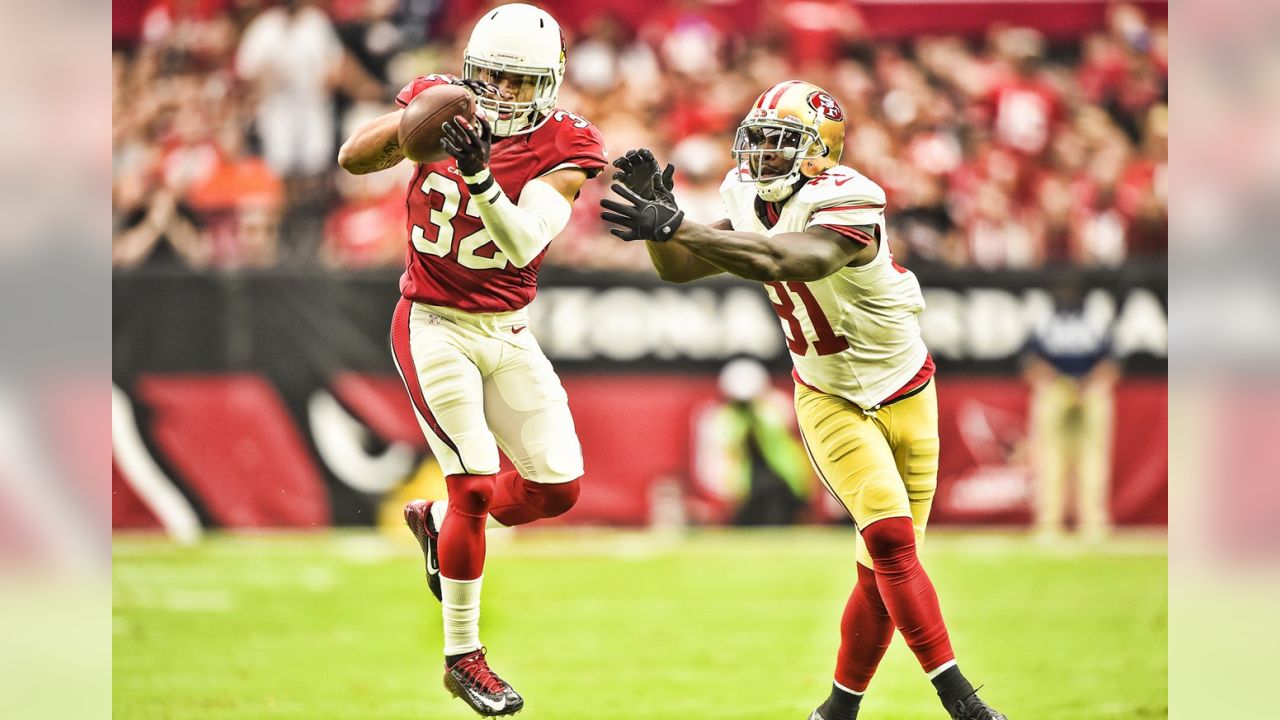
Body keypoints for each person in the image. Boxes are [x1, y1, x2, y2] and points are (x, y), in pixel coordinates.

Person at [600, 80, 1006, 720]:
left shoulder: (851, 197)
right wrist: (662, 227)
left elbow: (792, 260)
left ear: (824, 153)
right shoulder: (742, 194)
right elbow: (679, 269)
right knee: (893, 541)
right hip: (828, 395)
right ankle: (965, 706)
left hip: (908, 390)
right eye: (756, 139)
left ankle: (837, 713)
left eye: (779, 142)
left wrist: (681, 225)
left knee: (881, 568)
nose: (761, 154)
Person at [336, 4, 607, 716]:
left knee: (556, 489)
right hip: (431, 323)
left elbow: (522, 244)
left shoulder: (568, 143)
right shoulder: (440, 102)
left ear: (548, 86)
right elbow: (353, 158)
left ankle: (436, 524)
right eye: (490, 78)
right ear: (467, 71)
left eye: (519, 83)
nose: (502, 95)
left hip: (509, 328)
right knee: (477, 485)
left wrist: (481, 177)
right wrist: (412, 128)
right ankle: (464, 656)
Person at [1024, 276, 1120, 542]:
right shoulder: (1044, 320)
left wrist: (1087, 386)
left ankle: (1093, 521)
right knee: (1049, 458)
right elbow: (1031, 362)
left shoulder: (1096, 320)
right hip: (1054, 390)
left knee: (1092, 459)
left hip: (1091, 391)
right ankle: (1048, 522)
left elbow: (1111, 363)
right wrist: (1060, 385)